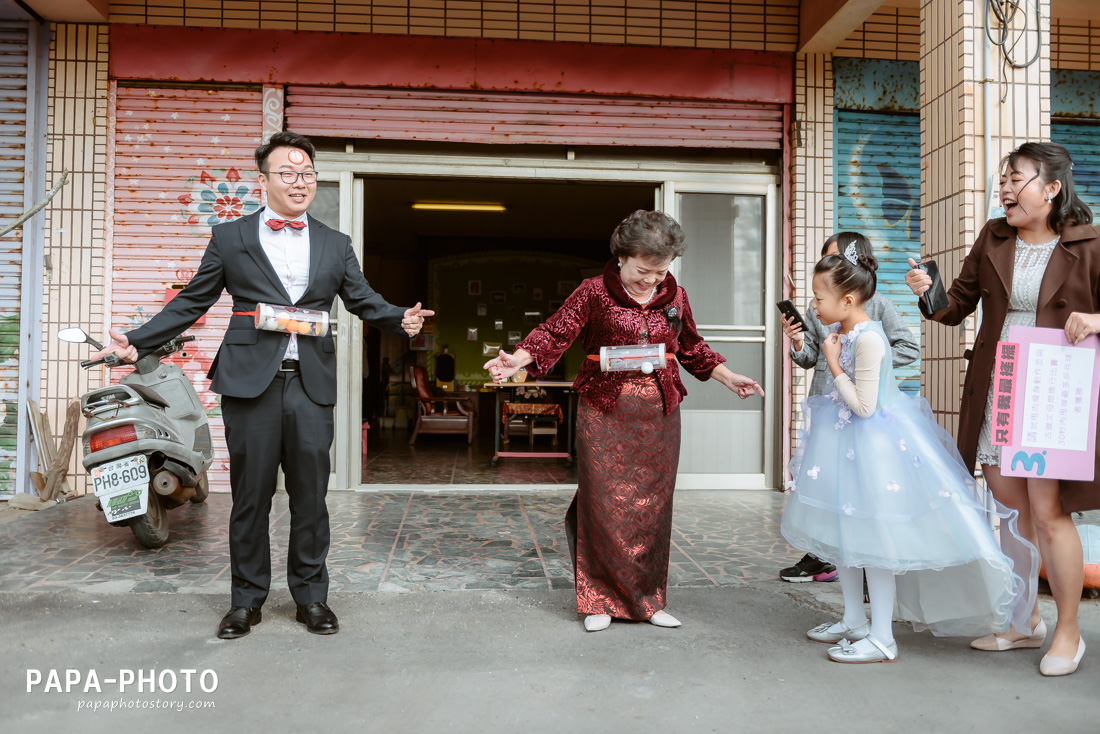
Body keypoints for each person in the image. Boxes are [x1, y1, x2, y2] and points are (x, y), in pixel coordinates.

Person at [91, 131, 433, 639]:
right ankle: (246, 600)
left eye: (307, 174)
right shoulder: (231, 238)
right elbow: (193, 301)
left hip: (310, 385)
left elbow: (363, 299)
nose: (300, 183)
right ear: (263, 181)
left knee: (311, 496)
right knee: (251, 496)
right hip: (250, 384)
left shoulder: (336, 244)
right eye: (288, 174)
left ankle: (311, 599)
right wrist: (135, 342)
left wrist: (398, 316)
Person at [483, 210, 764, 633]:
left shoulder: (676, 297)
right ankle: (599, 599)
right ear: (620, 258)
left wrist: (728, 378)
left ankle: (648, 601)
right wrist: (516, 360)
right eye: (642, 270)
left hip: (659, 412)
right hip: (604, 409)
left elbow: (691, 347)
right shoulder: (593, 292)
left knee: (652, 507)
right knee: (603, 503)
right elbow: (555, 333)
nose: (651, 280)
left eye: (660, 271)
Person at [781, 246, 1037, 664]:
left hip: (872, 450)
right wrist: (818, 349)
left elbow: (864, 406)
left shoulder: (868, 338)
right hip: (844, 447)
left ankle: (882, 636)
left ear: (848, 300)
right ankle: (853, 619)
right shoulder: (843, 332)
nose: (813, 306)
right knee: (843, 535)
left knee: (873, 541)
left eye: (818, 297)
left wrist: (834, 364)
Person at [904, 141, 1100, 676]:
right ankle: (1021, 621)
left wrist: (1097, 319)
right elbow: (956, 305)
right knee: (1011, 514)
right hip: (1002, 385)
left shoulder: (1090, 243)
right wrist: (929, 290)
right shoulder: (994, 236)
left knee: (1047, 512)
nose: (1005, 189)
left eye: (1017, 179)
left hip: (1053, 392)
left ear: (1053, 188)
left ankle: (1067, 631)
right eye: (1003, 180)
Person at [778, 232, 919, 584]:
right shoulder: (818, 307)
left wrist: (865, 364)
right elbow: (810, 356)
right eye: (825, 260)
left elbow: (907, 348)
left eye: (836, 260)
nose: (828, 268)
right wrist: (797, 340)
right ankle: (822, 556)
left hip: (862, 409)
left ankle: (866, 565)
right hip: (828, 406)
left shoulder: (879, 307)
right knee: (826, 484)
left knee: (861, 490)